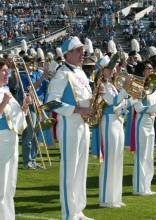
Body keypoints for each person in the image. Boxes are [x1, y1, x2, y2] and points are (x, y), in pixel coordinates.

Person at [47, 36, 94, 220]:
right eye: (78, 50)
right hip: (69, 124)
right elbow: (51, 103)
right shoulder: (61, 73)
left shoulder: (81, 73)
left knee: (81, 168)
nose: (83, 53)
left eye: (82, 50)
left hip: (83, 124)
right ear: (68, 54)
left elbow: (87, 98)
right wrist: (78, 109)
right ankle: (68, 213)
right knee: (69, 168)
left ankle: (78, 210)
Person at [0, 59, 31, 220]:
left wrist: (25, 106)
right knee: (1, 184)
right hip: (1, 139)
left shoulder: (7, 91)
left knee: (10, 184)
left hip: (11, 140)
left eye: (7, 71)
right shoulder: (6, 94)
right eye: (4, 71)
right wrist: (4, 101)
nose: (7, 74)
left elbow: (18, 118)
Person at [99, 55, 131, 208]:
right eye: (109, 69)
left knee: (118, 159)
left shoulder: (111, 85)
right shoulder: (101, 85)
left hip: (118, 121)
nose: (112, 71)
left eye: (112, 68)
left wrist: (128, 97)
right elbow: (112, 101)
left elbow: (122, 102)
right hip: (109, 121)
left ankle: (115, 197)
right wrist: (125, 89)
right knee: (110, 160)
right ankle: (106, 198)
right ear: (102, 70)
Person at [132, 61, 156, 195]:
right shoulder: (136, 85)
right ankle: (138, 188)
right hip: (141, 122)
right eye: (148, 68)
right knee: (141, 156)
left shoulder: (151, 85)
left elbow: (155, 102)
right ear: (142, 70)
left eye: (152, 68)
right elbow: (138, 108)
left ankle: (146, 186)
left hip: (151, 122)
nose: (151, 70)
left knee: (149, 156)